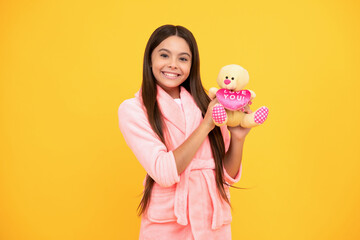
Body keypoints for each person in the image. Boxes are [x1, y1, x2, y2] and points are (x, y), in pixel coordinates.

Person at [118, 24, 252, 240]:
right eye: (164, 55)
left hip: (212, 225)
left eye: (183, 58)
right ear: (149, 59)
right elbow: (163, 171)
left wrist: (238, 138)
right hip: (168, 226)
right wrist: (206, 125)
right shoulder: (133, 109)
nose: (173, 65)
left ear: (192, 64)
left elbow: (225, 174)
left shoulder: (207, 103)